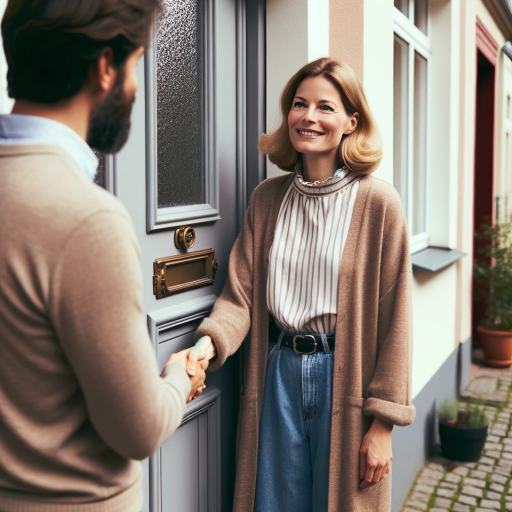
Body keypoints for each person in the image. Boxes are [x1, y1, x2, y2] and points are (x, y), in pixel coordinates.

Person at [0, 1, 206, 511]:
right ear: (106, 68)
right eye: (136, 64)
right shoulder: (87, 220)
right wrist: (181, 376)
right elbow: (138, 431)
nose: (135, 88)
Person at [186, 58, 415, 512]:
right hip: (277, 374)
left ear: (352, 122)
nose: (308, 117)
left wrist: (384, 423)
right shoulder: (267, 199)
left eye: (325, 107)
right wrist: (206, 348)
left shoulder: (378, 203)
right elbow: (241, 296)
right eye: (299, 104)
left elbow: (397, 317)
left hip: (344, 377)